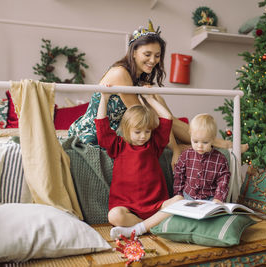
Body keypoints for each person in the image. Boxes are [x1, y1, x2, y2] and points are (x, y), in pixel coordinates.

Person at [68, 20, 246, 168]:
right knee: (157, 112)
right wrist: (173, 143)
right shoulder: (120, 73)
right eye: (147, 54)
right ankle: (216, 144)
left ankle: (210, 143)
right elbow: (144, 116)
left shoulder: (138, 77)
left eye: (157, 55)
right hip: (97, 132)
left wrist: (157, 105)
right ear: (134, 52)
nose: (153, 60)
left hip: (123, 126)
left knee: (158, 103)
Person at [95, 92, 183, 238]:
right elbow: (102, 127)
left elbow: (167, 118)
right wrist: (104, 98)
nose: (143, 136)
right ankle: (148, 225)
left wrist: (149, 99)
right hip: (129, 209)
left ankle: (138, 229)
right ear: (126, 129)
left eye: (147, 131)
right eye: (137, 132)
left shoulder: (154, 144)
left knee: (179, 200)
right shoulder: (118, 145)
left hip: (156, 205)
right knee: (114, 216)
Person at [173, 113, 231, 203]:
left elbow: (223, 181)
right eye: (195, 141)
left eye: (205, 142)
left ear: (213, 139)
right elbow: (179, 176)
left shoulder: (220, 160)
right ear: (190, 136)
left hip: (210, 198)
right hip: (188, 196)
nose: (199, 146)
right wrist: (178, 195)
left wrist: (218, 198)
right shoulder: (185, 156)